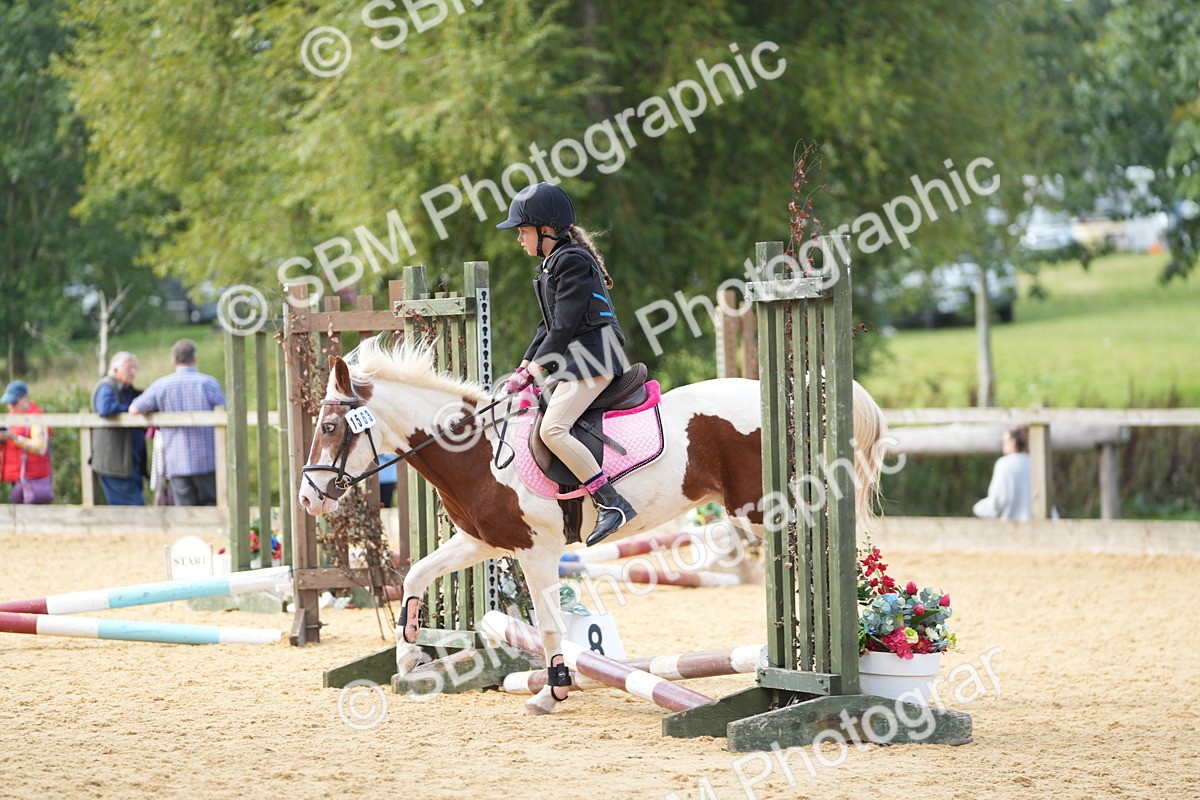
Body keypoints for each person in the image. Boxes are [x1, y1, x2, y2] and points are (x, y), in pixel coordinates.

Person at [496, 182, 635, 547]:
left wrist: (534, 371)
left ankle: (612, 503)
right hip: (578, 360)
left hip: (594, 358)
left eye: (523, 231)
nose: (519, 239)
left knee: (553, 430)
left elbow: (566, 325)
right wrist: (524, 365)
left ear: (546, 229)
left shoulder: (571, 261)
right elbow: (547, 326)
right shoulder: (552, 265)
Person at [129, 339, 226, 506]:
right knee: (211, 506)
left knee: (184, 510)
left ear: (174, 361)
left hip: (176, 461)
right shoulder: (208, 383)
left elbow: (134, 409)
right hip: (207, 459)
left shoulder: (161, 385)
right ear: (194, 359)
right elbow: (227, 412)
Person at [91, 352, 148, 505]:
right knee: (134, 508)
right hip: (114, 464)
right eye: (129, 368)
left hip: (129, 462)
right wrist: (132, 410)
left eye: (135, 368)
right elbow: (105, 408)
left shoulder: (128, 390)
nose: (133, 372)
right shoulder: (106, 386)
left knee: (131, 508)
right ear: (116, 370)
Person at [0, 380, 54, 504]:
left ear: (24, 398)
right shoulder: (12, 416)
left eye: (14, 402)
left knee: (32, 513)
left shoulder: (37, 417)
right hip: (16, 477)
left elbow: (40, 447)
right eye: (8, 403)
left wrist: (14, 438)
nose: (11, 406)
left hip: (33, 478)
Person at [973, 426, 1032, 521]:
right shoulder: (1034, 461)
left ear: (1013, 442)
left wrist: (978, 508)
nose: (1002, 446)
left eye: (1004, 442)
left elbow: (997, 500)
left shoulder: (1003, 463)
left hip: (1011, 523)